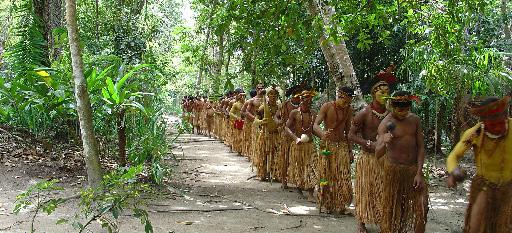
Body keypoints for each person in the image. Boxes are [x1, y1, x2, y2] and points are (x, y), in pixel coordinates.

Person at [446, 96, 511, 233]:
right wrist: (453, 171)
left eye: (500, 116)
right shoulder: (475, 134)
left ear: (506, 114)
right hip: (485, 186)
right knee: (474, 227)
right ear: (484, 120)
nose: (498, 122)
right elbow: (454, 155)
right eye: (492, 119)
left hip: (509, 187)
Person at [349, 67, 394, 232]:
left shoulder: (391, 115)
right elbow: (351, 136)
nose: (384, 94)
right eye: (381, 92)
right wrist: (368, 144)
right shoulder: (364, 113)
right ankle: (361, 221)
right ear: (374, 93)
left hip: (384, 159)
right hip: (367, 159)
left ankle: (382, 219)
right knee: (365, 190)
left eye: (387, 91)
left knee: (383, 191)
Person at [375, 91, 428, 233]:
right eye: (400, 110)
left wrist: (419, 173)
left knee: (423, 206)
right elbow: (377, 154)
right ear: (392, 107)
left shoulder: (415, 120)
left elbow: (421, 147)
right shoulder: (385, 123)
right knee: (392, 211)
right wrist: (384, 142)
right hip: (394, 171)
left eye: (406, 109)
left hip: (413, 170)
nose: (403, 113)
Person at [313, 86, 355, 214]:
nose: (346, 103)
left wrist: (350, 150)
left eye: (348, 101)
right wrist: (322, 134)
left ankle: (341, 204)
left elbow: (348, 132)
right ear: (340, 96)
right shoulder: (327, 106)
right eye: (344, 100)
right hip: (328, 146)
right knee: (326, 174)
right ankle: (326, 203)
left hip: (341, 146)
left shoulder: (349, 110)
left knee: (342, 176)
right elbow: (315, 125)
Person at [285, 90, 318, 202]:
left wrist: (323, 137)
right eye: (306, 99)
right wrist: (295, 138)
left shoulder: (313, 113)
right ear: (301, 100)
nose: (308, 101)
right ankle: (299, 188)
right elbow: (286, 127)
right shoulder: (294, 113)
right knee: (298, 168)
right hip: (298, 145)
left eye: (310, 99)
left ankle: (310, 193)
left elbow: (314, 129)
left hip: (310, 145)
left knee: (312, 167)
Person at [277, 86, 302, 189]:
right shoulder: (285, 104)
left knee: (299, 159)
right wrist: (279, 122)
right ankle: (284, 179)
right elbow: (276, 116)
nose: (300, 97)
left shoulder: (303, 105)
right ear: (293, 94)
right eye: (298, 94)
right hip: (287, 135)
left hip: (299, 135)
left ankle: (298, 180)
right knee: (285, 157)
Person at [254, 87, 281, 181]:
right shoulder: (263, 107)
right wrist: (261, 121)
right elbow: (255, 121)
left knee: (276, 154)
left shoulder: (280, 107)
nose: (273, 96)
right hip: (266, 134)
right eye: (271, 94)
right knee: (265, 154)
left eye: (275, 94)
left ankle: (275, 173)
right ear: (268, 95)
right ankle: (263, 173)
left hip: (276, 135)